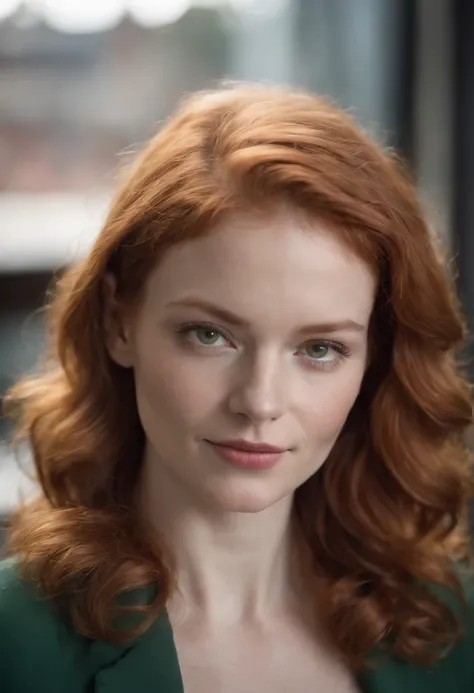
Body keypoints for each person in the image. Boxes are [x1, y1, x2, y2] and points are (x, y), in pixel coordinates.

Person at [0, 83, 473, 693]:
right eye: (209, 335)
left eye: (320, 349)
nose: (260, 402)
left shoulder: (447, 621)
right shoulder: (17, 645)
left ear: (374, 362)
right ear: (120, 321)